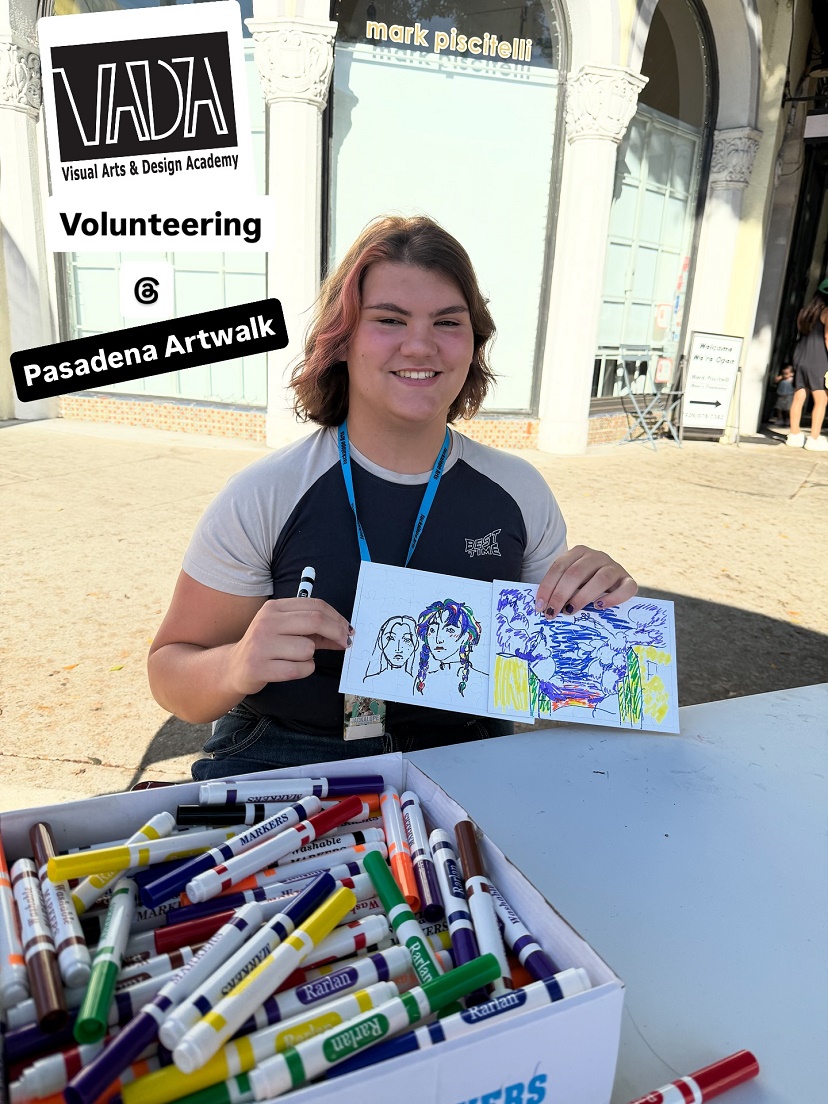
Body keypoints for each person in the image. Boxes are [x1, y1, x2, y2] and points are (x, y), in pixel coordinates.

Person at [147, 215, 638, 778]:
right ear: (342, 339)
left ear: (473, 343)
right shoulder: (268, 493)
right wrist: (237, 664)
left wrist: (602, 609)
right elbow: (171, 674)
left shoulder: (518, 492)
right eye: (389, 319)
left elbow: (565, 669)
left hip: (466, 748)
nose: (421, 345)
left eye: (447, 322)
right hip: (288, 751)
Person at [413, 599, 485, 700]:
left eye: (450, 630)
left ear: (466, 637)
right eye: (432, 630)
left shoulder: (481, 681)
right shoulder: (422, 680)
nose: (438, 640)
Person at [786, 279, 828, 451]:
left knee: (799, 396)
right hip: (818, 359)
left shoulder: (806, 311)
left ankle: (794, 435)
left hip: (801, 356)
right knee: (821, 399)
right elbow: (827, 337)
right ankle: (814, 439)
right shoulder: (827, 311)